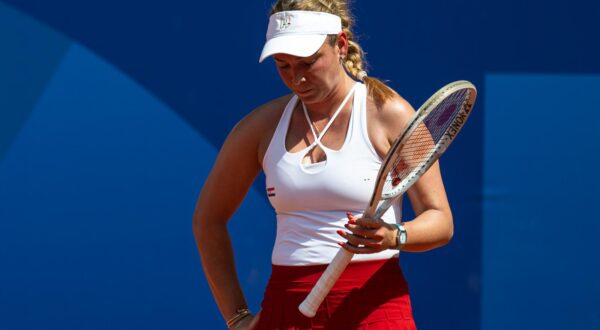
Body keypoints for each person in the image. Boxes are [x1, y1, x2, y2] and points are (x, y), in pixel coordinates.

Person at [193, 0, 454, 329]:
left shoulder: (390, 113)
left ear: (341, 45)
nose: (296, 78)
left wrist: (394, 235)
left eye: (308, 63)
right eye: (283, 66)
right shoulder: (260, 126)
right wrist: (237, 318)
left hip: (374, 308)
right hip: (286, 308)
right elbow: (207, 220)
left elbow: (440, 221)